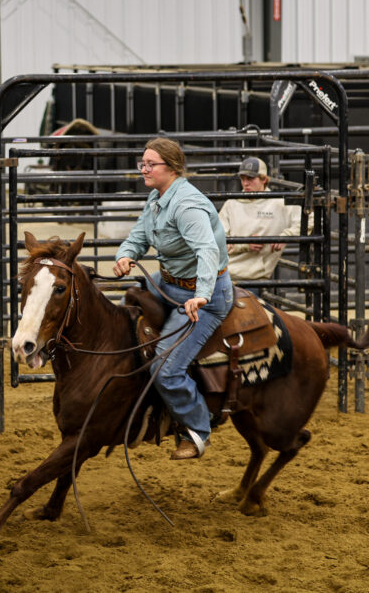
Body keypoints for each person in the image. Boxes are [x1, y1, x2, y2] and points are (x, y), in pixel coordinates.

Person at [113, 137, 232, 460]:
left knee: (165, 364)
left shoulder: (186, 205)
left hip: (200, 295)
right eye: (143, 163)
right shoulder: (156, 198)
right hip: (166, 287)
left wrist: (202, 296)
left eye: (151, 164)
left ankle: (196, 429)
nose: (144, 169)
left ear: (173, 168)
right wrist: (126, 255)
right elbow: (138, 235)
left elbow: (207, 251)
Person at [218, 157, 302, 280]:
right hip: (224, 273)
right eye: (243, 178)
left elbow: (310, 218)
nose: (245, 183)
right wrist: (245, 244)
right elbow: (218, 242)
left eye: (250, 178)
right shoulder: (231, 203)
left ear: (263, 179)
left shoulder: (278, 203)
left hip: (253, 276)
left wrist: (286, 235)